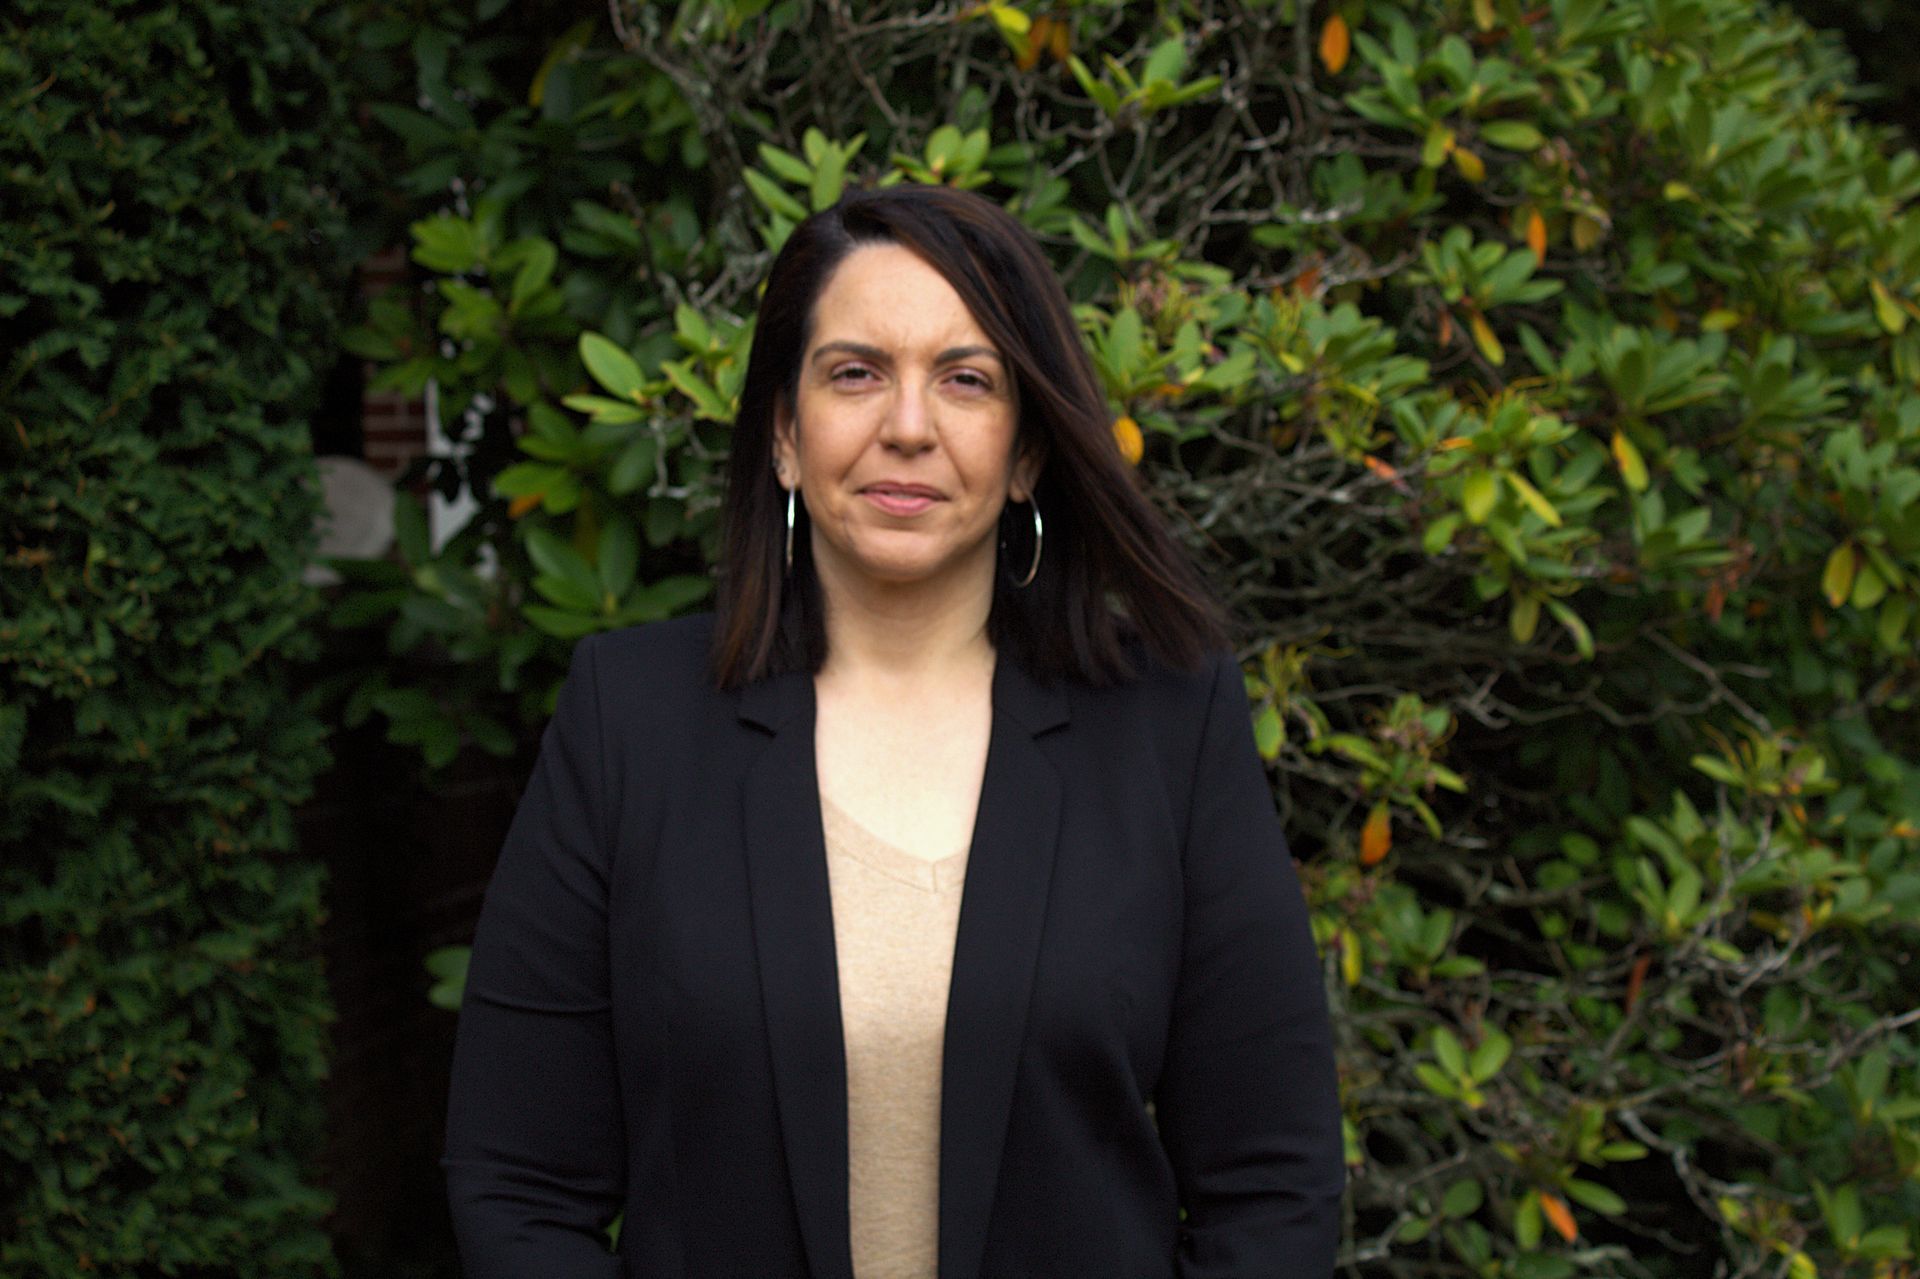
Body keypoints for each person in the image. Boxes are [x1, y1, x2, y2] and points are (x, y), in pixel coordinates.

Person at [443, 184, 1344, 1278]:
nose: (907, 426)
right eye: (856, 372)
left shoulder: (1166, 723)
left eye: (966, 381)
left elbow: (1275, 1188)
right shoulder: (627, 717)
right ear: (784, 433)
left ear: (1025, 454)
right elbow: (519, 1181)